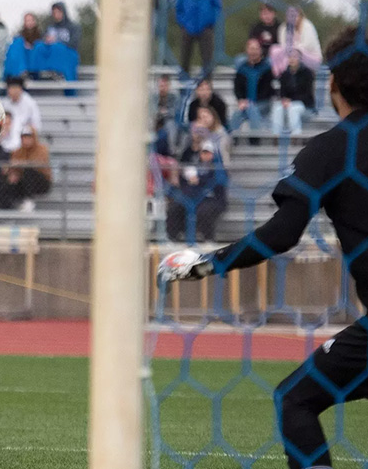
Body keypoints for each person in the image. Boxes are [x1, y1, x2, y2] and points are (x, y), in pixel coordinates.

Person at [158, 26, 368, 469]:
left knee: (295, 400)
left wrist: (206, 263)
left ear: (333, 83)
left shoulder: (332, 150)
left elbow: (281, 235)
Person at [165, 141, 228, 242]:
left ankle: (207, 238)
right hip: (194, 197)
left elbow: (218, 182)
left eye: (209, 153)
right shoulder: (195, 166)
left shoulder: (218, 167)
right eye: (204, 152)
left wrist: (199, 180)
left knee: (204, 211)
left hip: (212, 199)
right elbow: (185, 182)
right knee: (175, 207)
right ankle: (173, 237)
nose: (206, 155)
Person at [0, 126, 51, 212]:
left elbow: (39, 165)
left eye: (29, 137)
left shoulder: (42, 149)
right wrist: (13, 173)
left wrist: (21, 165)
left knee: (28, 171)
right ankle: (6, 206)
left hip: (41, 182)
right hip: (22, 181)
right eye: (24, 137)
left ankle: (28, 201)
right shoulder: (17, 151)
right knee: (4, 179)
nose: (26, 140)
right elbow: (12, 165)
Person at [175, 0, 221, 78]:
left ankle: (206, 87)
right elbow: (178, 8)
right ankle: (183, 87)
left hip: (205, 28)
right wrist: (183, 23)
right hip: (188, 27)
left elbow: (217, 7)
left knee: (207, 60)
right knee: (184, 59)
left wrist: (209, 22)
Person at [230, 38, 274, 134]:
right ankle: (231, 138)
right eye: (251, 49)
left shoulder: (266, 68)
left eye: (256, 49)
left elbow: (267, 90)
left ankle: (255, 139)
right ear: (247, 50)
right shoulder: (242, 69)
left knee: (251, 108)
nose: (253, 52)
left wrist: (249, 103)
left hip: (263, 103)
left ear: (260, 51)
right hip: (246, 104)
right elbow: (237, 88)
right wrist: (241, 100)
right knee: (237, 114)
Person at [31, 2, 81, 81]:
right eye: (54, 13)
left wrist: (57, 41)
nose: (56, 15)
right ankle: (35, 74)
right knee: (38, 46)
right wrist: (46, 40)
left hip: (67, 54)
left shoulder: (73, 27)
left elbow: (74, 44)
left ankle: (60, 73)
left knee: (57, 47)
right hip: (50, 53)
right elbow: (43, 39)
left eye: (58, 12)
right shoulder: (50, 27)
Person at [271, 50, 315, 136]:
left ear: (300, 59)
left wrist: (291, 101)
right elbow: (282, 91)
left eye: (295, 57)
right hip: (288, 103)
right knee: (277, 109)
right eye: (290, 57)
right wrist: (284, 99)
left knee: (293, 109)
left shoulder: (307, 73)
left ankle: (296, 135)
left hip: (304, 104)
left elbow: (307, 94)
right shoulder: (284, 74)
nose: (292, 59)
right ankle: (276, 135)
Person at [269, 6, 322, 77]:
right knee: (274, 49)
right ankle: (279, 74)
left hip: (309, 56)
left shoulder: (307, 26)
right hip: (289, 54)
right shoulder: (283, 28)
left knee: (298, 51)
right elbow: (282, 45)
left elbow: (307, 45)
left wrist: (293, 48)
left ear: (300, 16)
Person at [3, 77, 42, 148]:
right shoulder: (5, 103)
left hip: (24, 138)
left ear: (21, 89)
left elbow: (37, 125)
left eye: (16, 88)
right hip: (6, 138)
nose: (14, 91)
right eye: (11, 88)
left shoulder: (30, 103)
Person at [3, 13, 42, 80]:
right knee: (17, 45)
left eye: (31, 20)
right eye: (27, 21)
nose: (29, 23)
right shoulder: (20, 36)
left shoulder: (40, 35)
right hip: (23, 57)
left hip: (33, 59)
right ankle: (17, 72)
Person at [150, 74, 180, 153]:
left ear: (168, 86)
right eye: (161, 86)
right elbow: (152, 110)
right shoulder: (154, 97)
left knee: (171, 125)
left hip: (168, 120)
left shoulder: (174, 97)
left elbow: (174, 112)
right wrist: (160, 112)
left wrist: (163, 112)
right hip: (156, 119)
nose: (162, 88)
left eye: (165, 86)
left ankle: (172, 149)